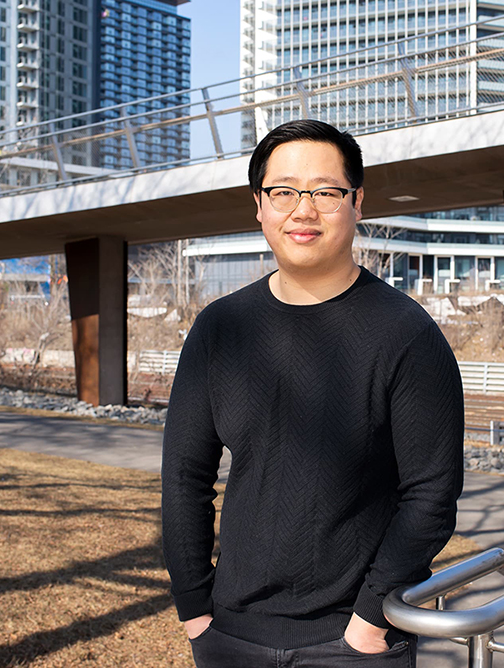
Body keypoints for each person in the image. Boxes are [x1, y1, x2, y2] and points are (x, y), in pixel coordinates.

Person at [161, 119, 464, 667]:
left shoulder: (406, 333)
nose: (303, 210)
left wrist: (369, 624)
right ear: (260, 205)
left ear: (357, 202)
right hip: (228, 634)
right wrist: (193, 609)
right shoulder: (220, 329)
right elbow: (184, 478)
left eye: (326, 192)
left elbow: (431, 496)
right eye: (283, 192)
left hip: (353, 643)